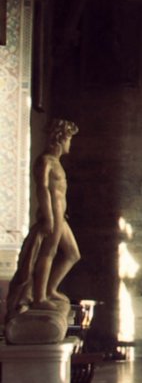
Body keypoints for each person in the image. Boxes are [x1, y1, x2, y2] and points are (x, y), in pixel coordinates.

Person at [5, 119, 81, 321]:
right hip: (53, 212)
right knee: (48, 252)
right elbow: (43, 189)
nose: (70, 144)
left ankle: (49, 289)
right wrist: (48, 216)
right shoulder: (45, 161)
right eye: (69, 140)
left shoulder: (55, 162)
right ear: (60, 139)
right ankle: (39, 297)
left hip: (60, 213)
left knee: (73, 254)